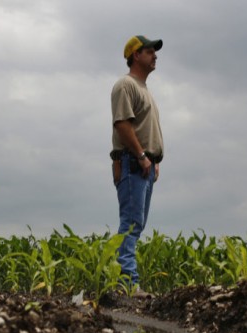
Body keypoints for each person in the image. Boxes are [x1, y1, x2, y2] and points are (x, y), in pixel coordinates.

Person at [110, 35, 164, 298]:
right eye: (149, 51)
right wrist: (142, 155)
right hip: (133, 163)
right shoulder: (125, 85)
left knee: (136, 224)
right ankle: (128, 284)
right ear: (135, 55)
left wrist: (152, 161)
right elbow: (122, 125)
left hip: (143, 164)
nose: (155, 55)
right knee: (131, 223)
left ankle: (127, 282)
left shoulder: (144, 90)